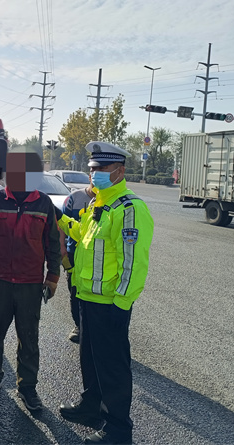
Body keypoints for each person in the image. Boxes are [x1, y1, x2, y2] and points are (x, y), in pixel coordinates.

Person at [58, 141, 154, 444]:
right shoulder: (96, 205)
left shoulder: (129, 208)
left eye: (101, 168)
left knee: (112, 367)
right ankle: (91, 407)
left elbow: (133, 263)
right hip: (87, 298)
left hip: (110, 303)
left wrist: (122, 304)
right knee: (90, 359)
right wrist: (58, 218)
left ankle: (118, 429)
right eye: (91, 169)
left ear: (119, 171)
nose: (94, 174)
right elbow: (82, 236)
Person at [0, 151, 61, 412]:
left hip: (30, 284)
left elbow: (53, 243)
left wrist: (53, 277)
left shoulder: (44, 203)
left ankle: (27, 388)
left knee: (29, 337)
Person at [61, 178, 96, 344]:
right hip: (73, 255)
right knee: (74, 291)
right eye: (94, 172)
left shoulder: (110, 200)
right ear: (90, 177)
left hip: (96, 257)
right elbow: (62, 224)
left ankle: (92, 328)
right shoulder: (74, 198)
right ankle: (79, 326)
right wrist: (62, 249)